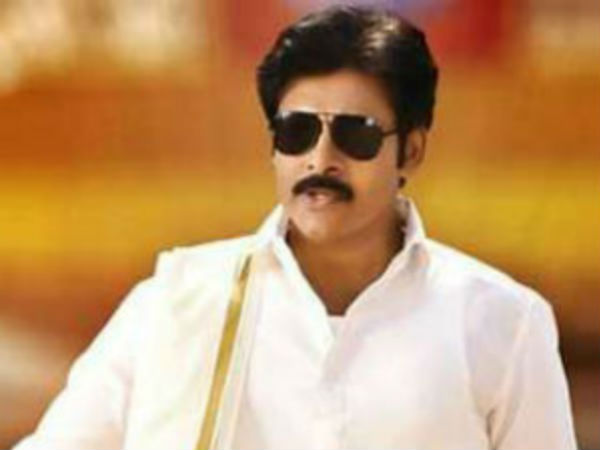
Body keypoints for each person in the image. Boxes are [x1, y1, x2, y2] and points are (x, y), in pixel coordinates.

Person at [13, 6, 577, 450]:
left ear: (410, 150)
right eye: (296, 132)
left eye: (355, 134)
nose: (320, 160)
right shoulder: (177, 302)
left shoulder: (503, 322)